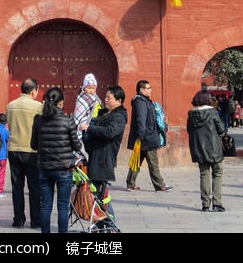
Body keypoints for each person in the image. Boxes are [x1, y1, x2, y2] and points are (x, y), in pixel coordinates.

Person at [30, 87, 82, 233]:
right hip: (64, 169)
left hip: (45, 168)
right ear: (61, 103)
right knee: (63, 206)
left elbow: (33, 145)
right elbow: (77, 146)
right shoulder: (67, 120)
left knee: (45, 205)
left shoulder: (38, 120)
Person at [80, 85, 127, 216]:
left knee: (101, 196)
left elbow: (109, 132)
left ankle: (109, 224)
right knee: (98, 195)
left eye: (109, 98)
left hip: (104, 160)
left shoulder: (118, 117)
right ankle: (102, 225)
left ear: (119, 101)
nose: (105, 100)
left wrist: (90, 128)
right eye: (105, 97)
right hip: (97, 157)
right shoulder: (106, 114)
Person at [6, 78, 42, 229]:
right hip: (32, 151)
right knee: (34, 188)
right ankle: (36, 221)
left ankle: (18, 219)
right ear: (34, 90)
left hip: (14, 149)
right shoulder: (39, 106)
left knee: (17, 187)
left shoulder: (11, 105)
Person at [125, 80, 172, 192]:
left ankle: (130, 183)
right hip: (147, 137)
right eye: (148, 88)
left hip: (144, 137)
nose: (150, 90)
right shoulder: (141, 102)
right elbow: (141, 120)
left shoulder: (143, 101)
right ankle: (160, 185)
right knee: (153, 162)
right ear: (141, 89)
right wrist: (141, 136)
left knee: (136, 161)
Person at [187, 90, 226, 212]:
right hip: (214, 148)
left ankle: (205, 204)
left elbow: (189, 131)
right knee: (217, 174)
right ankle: (217, 203)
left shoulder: (191, 115)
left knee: (204, 174)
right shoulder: (212, 112)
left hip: (199, 148)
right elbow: (221, 130)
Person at [73, 73, 102, 159]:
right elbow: (78, 115)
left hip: (92, 125)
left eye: (93, 88)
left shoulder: (95, 97)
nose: (91, 90)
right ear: (84, 87)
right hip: (84, 127)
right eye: (89, 88)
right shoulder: (81, 98)